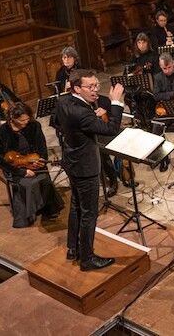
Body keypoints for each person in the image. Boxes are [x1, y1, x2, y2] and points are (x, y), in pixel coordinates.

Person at [56, 69, 124, 271]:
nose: (96, 90)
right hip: (85, 167)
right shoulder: (82, 112)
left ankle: (73, 248)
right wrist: (116, 103)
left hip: (71, 160)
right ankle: (87, 258)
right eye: (90, 86)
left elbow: (59, 123)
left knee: (77, 206)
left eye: (97, 85)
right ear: (77, 88)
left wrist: (84, 126)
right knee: (89, 213)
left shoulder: (64, 102)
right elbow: (111, 130)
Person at [0, 103, 64, 227]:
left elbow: (42, 148)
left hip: (35, 163)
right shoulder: (3, 131)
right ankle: (28, 214)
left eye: (27, 119)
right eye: (22, 120)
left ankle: (47, 209)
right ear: (12, 118)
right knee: (28, 183)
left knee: (45, 180)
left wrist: (40, 161)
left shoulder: (34, 125)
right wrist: (22, 172)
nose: (26, 122)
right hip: (15, 168)